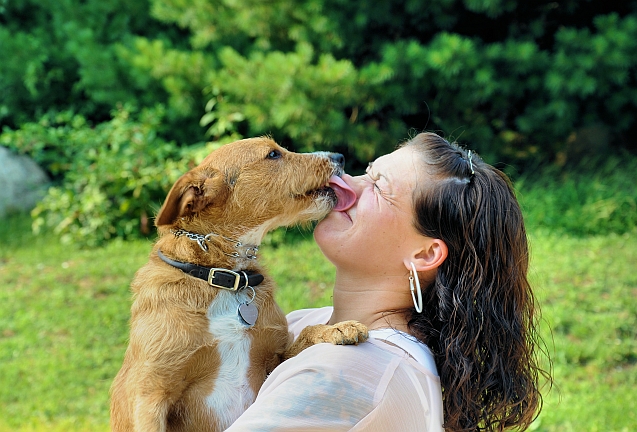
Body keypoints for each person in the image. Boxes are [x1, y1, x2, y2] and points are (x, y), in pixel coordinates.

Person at [225, 132, 549, 431]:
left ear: (424, 254)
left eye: (379, 187)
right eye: (366, 171)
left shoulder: (343, 373)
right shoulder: (308, 324)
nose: (345, 180)